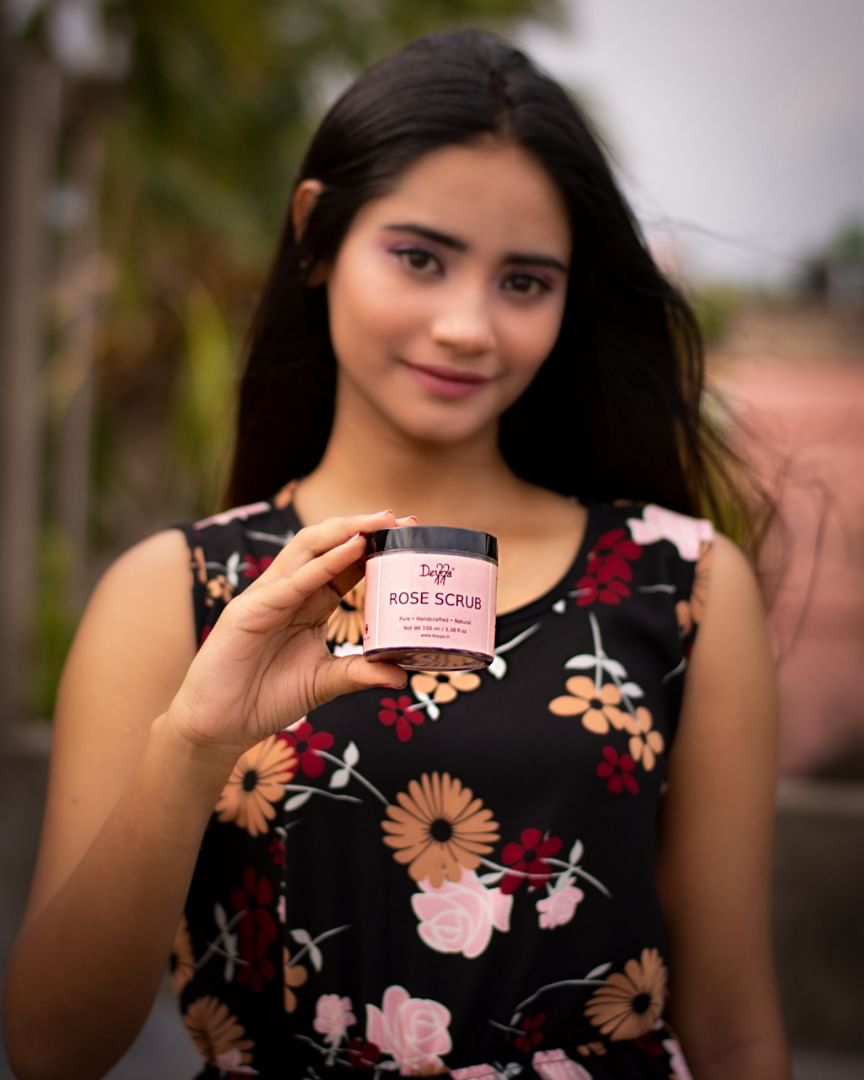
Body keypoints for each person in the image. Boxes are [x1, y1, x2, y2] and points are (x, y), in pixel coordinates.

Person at [4, 27, 791, 1080]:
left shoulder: (683, 585)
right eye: (419, 258)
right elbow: (52, 1051)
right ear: (317, 234)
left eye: (525, 282)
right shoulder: (173, 594)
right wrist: (193, 741)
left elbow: (735, 1023)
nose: (468, 325)